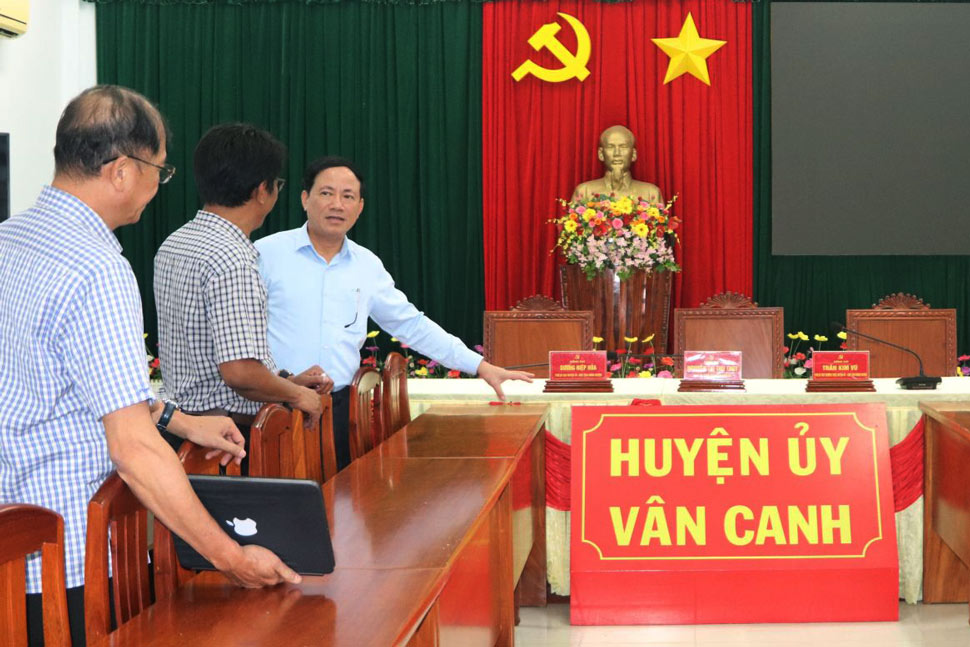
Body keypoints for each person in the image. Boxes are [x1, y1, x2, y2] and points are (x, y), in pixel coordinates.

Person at [0, 86, 299, 647]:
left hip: (11, 546)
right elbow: (133, 449)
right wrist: (230, 558)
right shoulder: (97, 269)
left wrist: (181, 422)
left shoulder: (10, 238)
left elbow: (73, 380)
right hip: (69, 558)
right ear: (119, 172)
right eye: (157, 173)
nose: (158, 189)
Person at [256, 156, 533, 468]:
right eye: (326, 193)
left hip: (340, 410)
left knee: (340, 506)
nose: (337, 204)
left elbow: (411, 324)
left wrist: (479, 365)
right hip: (276, 405)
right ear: (305, 199)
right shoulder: (266, 254)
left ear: (359, 207)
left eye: (348, 196)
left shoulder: (367, 265)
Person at [154, 124, 332, 454]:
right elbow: (239, 373)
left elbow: (206, 361)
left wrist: (285, 383)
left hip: (185, 431)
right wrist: (298, 396)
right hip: (227, 440)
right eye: (277, 184)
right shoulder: (232, 257)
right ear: (262, 190)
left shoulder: (174, 243)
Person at [572, 125, 663, 203]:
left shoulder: (651, 193)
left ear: (633, 154)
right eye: (610, 147)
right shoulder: (584, 192)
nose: (617, 153)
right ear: (601, 154)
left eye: (623, 147)